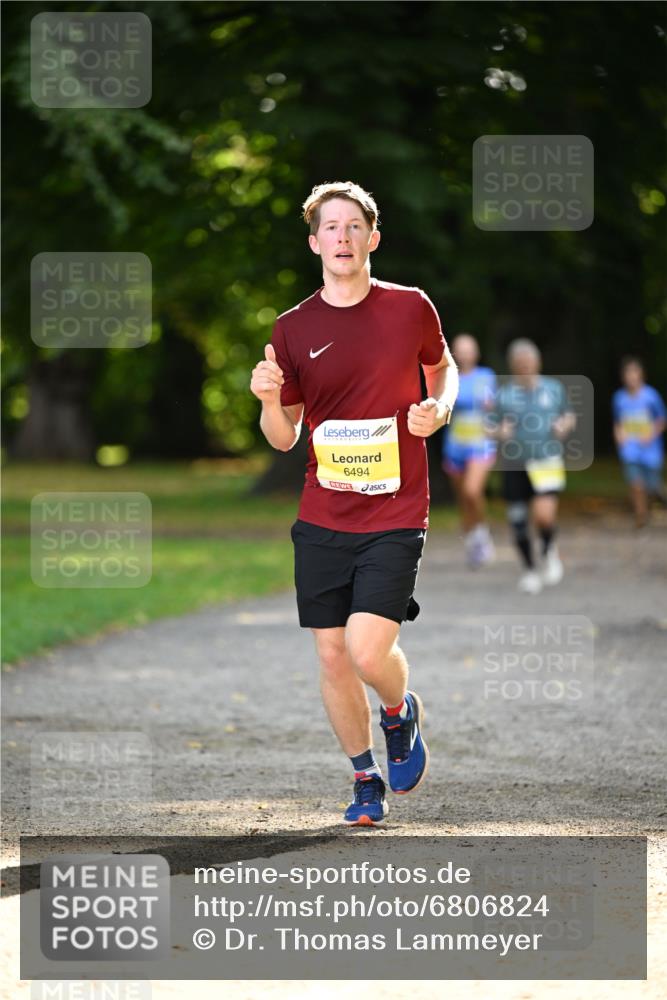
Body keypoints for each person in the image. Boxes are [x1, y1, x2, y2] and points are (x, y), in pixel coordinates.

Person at [250, 181, 458, 825]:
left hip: (396, 508)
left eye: (353, 226)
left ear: (373, 237)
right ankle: (364, 779)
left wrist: (438, 410)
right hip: (322, 513)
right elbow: (285, 437)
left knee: (369, 652)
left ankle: (399, 713)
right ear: (315, 243)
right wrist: (265, 400)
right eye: (330, 228)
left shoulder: (409, 308)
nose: (342, 237)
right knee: (332, 653)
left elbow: (443, 368)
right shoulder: (292, 329)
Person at [491, 339, 576, 595]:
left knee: (544, 515)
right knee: (517, 521)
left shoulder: (553, 389)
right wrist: (499, 432)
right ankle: (529, 570)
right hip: (515, 464)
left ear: (537, 363)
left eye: (529, 363)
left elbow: (568, 415)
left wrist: (564, 425)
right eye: (520, 365)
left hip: (546, 460)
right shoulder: (504, 395)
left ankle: (549, 549)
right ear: (513, 366)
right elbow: (489, 425)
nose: (525, 368)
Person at [441, 333, 497, 567]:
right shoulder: (447, 376)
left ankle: (482, 534)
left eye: (468, 349)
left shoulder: (486, 376)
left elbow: (494, 405)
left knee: (472, 491)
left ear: (476, 352)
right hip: (455, 445)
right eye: (459, 349)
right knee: (463, 498)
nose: (464, 354)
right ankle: (474, 541)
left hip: (481, 443)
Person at [612, 357, 667, 528]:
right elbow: (618, 421)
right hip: (629, 449)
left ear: (641, 375)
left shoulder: (651, 396)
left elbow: (662, 419)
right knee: (636, 484)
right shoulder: (619, 398)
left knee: (653, 486)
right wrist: (619, 436)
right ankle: (641, 517)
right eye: (628, 373)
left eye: (634, 372)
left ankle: (657, 499)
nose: (631, 376)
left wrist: (651, 434)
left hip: (650, 450)